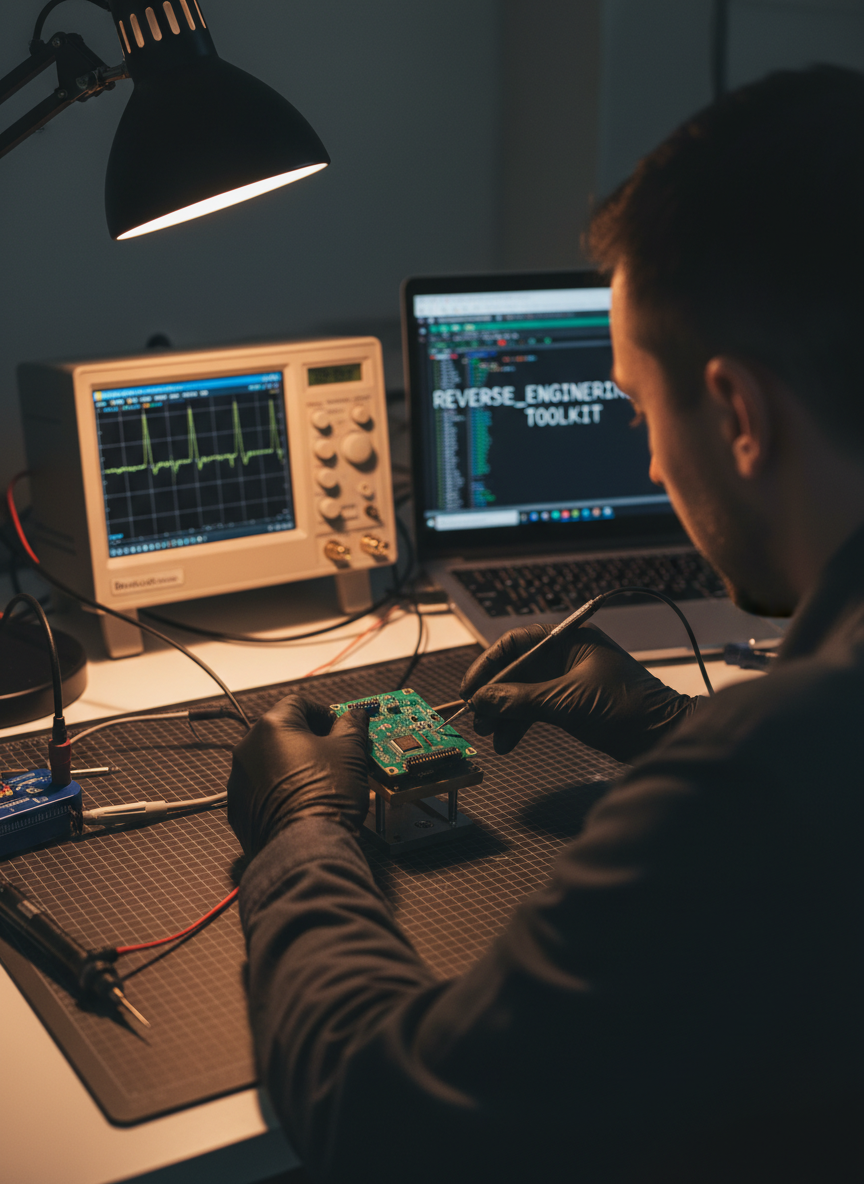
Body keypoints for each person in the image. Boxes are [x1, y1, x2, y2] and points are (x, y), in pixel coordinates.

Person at [227, 67, 864, 1183]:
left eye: (634, 407)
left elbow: (383, 1118)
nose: (650, 461)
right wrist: (671, 728)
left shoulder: (760, 780)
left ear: (737, 413)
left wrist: (301, 830)